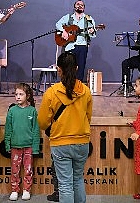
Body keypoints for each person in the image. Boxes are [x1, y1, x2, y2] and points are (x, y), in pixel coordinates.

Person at [38, 52, 93, 203]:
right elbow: (88, 118)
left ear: (58, 69)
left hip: (60, 143)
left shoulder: (51, 92)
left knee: (65, 185)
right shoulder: (86, 91)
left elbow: (42, 122)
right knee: (78, 180)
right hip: (82, 142)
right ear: (76, 68)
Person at [5, 83, 40, 201]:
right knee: (15, 170)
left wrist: (35, 147)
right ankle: (14, 190)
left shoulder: (32, 111)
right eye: (16, 94)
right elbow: (8, 129)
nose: (18, 97)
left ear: (28, 95)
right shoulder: (12, 111)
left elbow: (35, 130)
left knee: (28, 170)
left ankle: (26, 190)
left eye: (21, 94)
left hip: (28, 146)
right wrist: (7, 143)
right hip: (15, 146)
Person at [55, 0, 97, 82]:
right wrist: (63, 31)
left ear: (84, 8)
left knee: (80, 67)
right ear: (74, 7)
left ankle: (78, 87)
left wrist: (92, 31)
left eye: (82, 5)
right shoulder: (68, 17)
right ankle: (67, 85)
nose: (80, 6)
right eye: (78, 4)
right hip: (69, 46)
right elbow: (58, 24)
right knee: (69, 67)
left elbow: (93, 35)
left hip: (82, 45)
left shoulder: (88, 19)